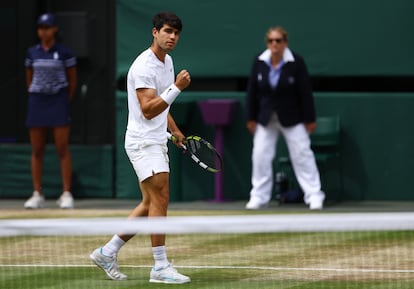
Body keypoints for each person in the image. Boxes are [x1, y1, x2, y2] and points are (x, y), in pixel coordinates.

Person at [89, 12, 191, 284]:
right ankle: (159, 267)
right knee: (162, 198)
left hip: (156, 139)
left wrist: (175, 130)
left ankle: (106, 252)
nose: (172, 37)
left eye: (176, 33)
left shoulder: (167, 61)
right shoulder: (144, 66)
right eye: (167, 31)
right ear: (154, 32)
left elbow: (161, 104)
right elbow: (147, 109)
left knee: (150, 203)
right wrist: (177, 88)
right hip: (143, 141)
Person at [245, 26, 325, 210]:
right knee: (260, 155)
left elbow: (305, 92)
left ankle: (314, 195)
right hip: (266, 118)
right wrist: (250, 117)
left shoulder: (296, 62)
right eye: (271, 41)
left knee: (302, 154)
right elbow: (252, 92)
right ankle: (259, 197)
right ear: (268, 43)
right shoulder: (259, 61)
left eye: (278, 40)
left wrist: (309, 119)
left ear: (285, 43)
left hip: (292, 117)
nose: (275, 44)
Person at [24, 13, 77, 209]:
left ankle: (66, 193)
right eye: (40, 28)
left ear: (54, 29)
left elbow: (72, 82)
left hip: (58, 102)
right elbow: (29, 80)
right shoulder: (32, 53)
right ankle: (37, 193)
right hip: (37, 102)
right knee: (37, 149)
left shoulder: (64, 52)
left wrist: (61, 99)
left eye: (47, 27)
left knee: (62, 148)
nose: (43, 31)